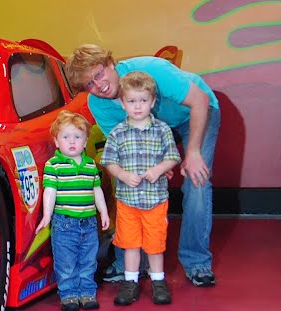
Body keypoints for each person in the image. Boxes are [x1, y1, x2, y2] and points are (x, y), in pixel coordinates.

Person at [66, 43, 220, 287]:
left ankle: (196, 261)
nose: (99, 86)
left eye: (99, 74)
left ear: (110, 64)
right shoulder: (99, 104)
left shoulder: (151, 70)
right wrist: (154, 166)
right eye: (90, 84)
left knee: (196, 179)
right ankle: (135, 262)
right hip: (152, 131)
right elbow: (125, 149)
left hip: (194, 112)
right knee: (133, 184)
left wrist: (192, 153)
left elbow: (199, 100)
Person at [99, 72, 180, 306]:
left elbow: (173, 157)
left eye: (143, 100)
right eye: (132, 101)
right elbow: (109, 161)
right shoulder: (117, 133)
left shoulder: (162, 130)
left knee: (155, 244)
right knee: (130, 243)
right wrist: (123, 175)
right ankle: (130, 282)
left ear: (152, 102)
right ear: (123, 103)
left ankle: (158, 281)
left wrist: (159, 169)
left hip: (155, 200)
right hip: (128, 201)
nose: (137, 106)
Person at [35, 110, 111, 311]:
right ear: (56, 141)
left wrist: (103, 212)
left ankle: (87, 292)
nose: (71, 141)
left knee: (88, 259)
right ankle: (68, 294)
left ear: (85, 142)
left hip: (89, 222)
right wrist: (47, 216)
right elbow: (49, 191)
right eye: (65, 137)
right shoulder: (54, 165)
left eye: (77, 137)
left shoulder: (90, 165)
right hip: (64, 223)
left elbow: (96, 190)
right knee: (66, 261)